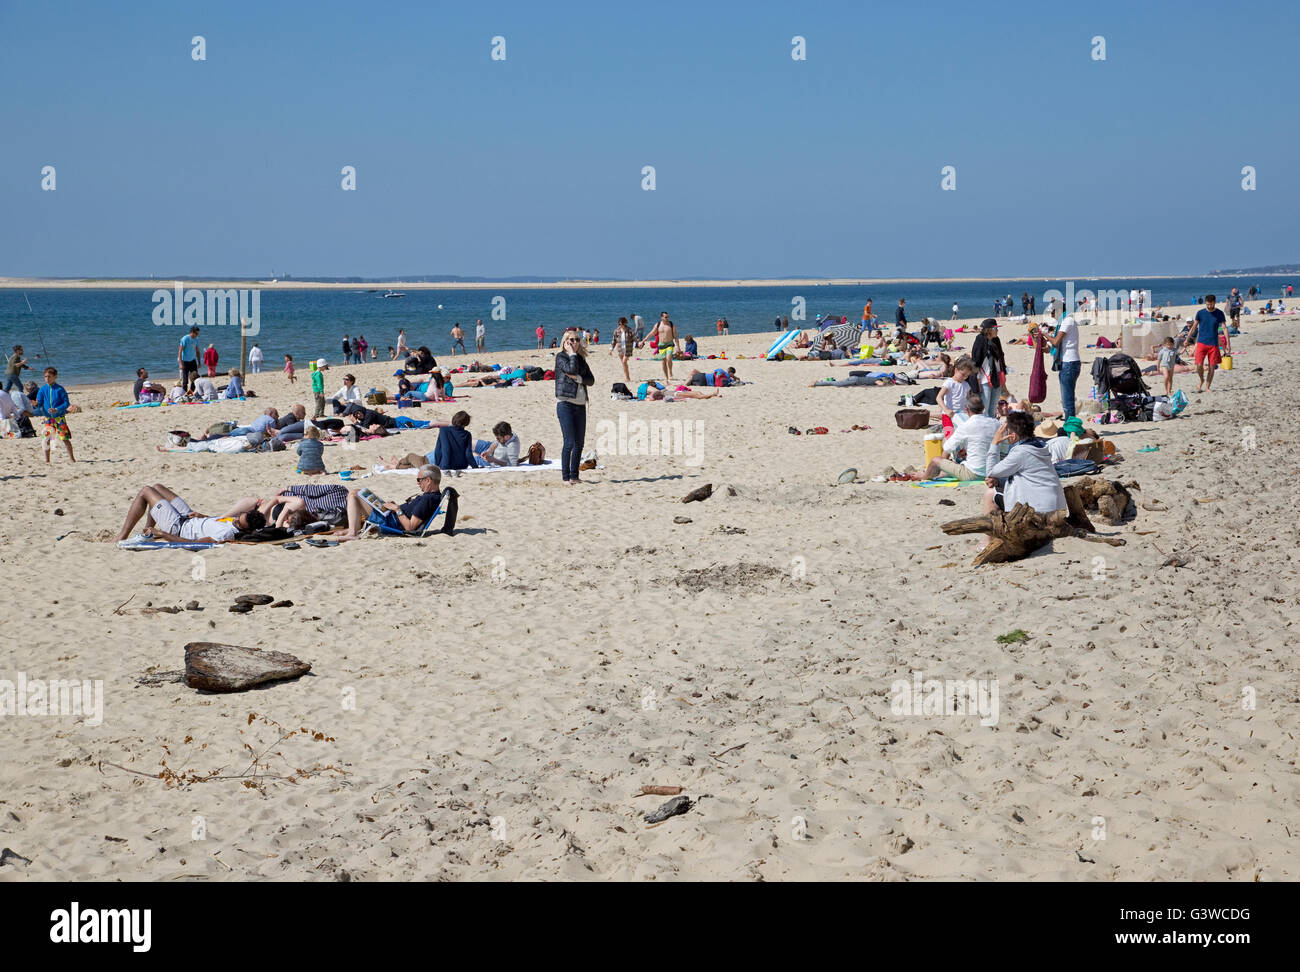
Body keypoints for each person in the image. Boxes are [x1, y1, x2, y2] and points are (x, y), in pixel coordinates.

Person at [115, 484, 265, 543]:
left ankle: (122, 536)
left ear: (247, 530)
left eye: (238, 522)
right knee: (158, 488)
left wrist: (161, 533)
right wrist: (202, 516)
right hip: (189, 518)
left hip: (178, 527)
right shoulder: (236, 522)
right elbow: (217, 522)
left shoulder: (225, 534)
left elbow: (191, 544)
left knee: (146, 491)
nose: (235, 520)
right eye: (238, 517)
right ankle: (147, 534)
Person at [982, 411, 1066, 516]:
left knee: (990, 493)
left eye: (1006, 431)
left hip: (1039, 511)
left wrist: (995, 443)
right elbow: (1026, 477)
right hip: (1055, 507)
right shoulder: (1040, 446)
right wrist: (998, 481)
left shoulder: (1021, 452)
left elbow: (990, 472)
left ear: (1013, 435)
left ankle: (994, 527)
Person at [339, 465, 443, 538]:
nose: (418, 483)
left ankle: (353, 532)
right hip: (391, 516)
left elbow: (410, 528)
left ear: (428, 480)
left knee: (354, 495)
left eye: (419, 480)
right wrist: (395, 507)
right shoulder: (431, 497)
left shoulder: (427, 500)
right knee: (359, 492)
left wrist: (397, 509)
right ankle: (354, 528)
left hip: (390, 522)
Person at [917, 395, 998, 480]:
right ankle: (940, 473)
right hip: (993, 472)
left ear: (967, 409)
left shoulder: (966, 426)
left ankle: (923, 477)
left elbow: (948, 448)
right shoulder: (996, 423)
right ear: (983, 408)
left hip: (974, 474)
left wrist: (942, 463)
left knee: (936, 460)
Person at [555, 328, 595, 484]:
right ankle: (566, 477)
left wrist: (578, 378)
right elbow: (570, 369)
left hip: (580, 405)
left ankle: (574, 476)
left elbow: (591, 380)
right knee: (569, 442)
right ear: (565, 342)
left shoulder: (581, 359)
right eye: (571, 340)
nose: (575, 342)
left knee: (579, 443)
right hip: (565, 404)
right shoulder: (561, 357)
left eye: (577, 340)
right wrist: (571, 353)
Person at [1183, 294, 1229, 392]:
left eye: (1211, 304)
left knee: (1212, 367)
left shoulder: (1219, 313)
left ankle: (1207, 387)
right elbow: (1193, 327)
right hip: (1201, 343)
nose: (1209, 306)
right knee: (1199, 365)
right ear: (1205, 303)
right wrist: (1187, 339)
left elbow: (1224, 328)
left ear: (1214, 302)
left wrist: (1228, 343)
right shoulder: (1200, 313)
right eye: (1207, 304)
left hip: (1214, 344)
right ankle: (1201, 380)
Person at [1047, 307, 1081, 418]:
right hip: (1069, 363)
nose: (1052, 315)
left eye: (1053, 312)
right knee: (1068, 399)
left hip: (1069, 363)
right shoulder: (1067, 321)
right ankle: (1070, 424)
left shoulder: (1067, 321)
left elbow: (1056, 342)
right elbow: (1059, 345)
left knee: (1067, 401)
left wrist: (1044, 334)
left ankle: (1070, 425)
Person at [36, 367, 74, 463]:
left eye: (49, 376)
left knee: (65, 438)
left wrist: (57, 409)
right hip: (48, 419)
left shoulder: (60, 389)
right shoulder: (42, 389)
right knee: (47, 439)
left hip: (59, 418)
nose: (47, 379)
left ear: (55, 376)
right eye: (45, 376)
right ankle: (47, 460)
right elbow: (39, 403)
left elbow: (66, 403)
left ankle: (72, 459)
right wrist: (35, 404)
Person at [970, 319, 1008, 415]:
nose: (997, 330)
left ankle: (991, 423)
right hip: (984, 379)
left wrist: (1004, 374)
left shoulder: (996, 340)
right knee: (984, 408)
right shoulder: (980, 340)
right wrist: (977, 380)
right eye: (995, 328)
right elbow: (976, 360)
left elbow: (1001, 357)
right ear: (989, 330)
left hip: (997, 377)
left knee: (993, 407)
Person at [940, 357, 975, 427]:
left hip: (961, 414)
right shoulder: (949, 382)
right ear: (956, 370)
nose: (964, 377)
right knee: (949, 432)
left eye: (967, 376)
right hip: (948, 415)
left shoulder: (966, 385)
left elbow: (968, 399)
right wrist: (946, 409)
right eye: (963, 374)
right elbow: (939, 397)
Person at [655, 312, 680, 381]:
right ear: (662, 317)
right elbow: (651, 333)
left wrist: (678, 347)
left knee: (669, 358)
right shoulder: (658, 324)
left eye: (668, 317)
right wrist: (643, 340)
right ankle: (666, 377)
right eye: (666, 317)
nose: (667, 318)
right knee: (663, 362)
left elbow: (676, 337)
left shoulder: (671, 324)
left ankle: (670, 371)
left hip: (669, 344)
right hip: (661, 345)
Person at [610, 317, 635, 382]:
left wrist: (639, 343)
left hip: (628, 349)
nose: (619, 325)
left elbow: (635, 337)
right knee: (624, 364)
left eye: (621, 324)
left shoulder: (629, 330)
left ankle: (627, 378)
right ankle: (627, 377)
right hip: (620, 349)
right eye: (619, 324)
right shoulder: (616, 331)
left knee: (624, 362)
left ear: (624, 323)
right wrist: (611, 349)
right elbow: (614, 340)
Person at [178, 326, 200, 392]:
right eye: (196, 333)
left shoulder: (196, 339)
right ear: (192, 332)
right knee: (185, 380)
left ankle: (191, 392)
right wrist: (180, 363)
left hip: (193, 361)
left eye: (198, 334)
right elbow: (180, 351)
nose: (197, 335)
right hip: (185, 361)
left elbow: (197, 351)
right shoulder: (185, 339)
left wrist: (199, 362)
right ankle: (184, 392)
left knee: (195, 378)